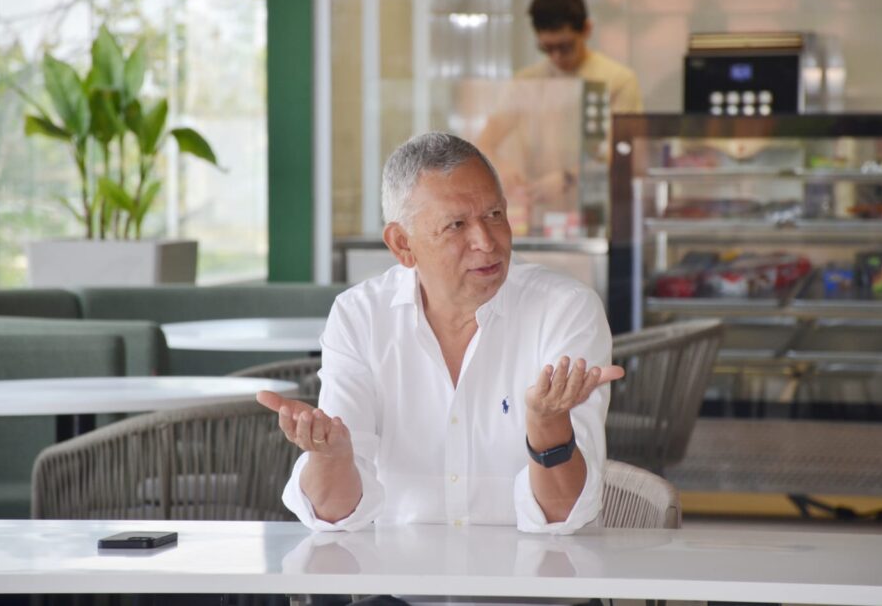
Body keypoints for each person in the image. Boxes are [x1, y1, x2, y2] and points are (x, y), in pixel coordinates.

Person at [257, 132, 623, 533]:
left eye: (495, 215)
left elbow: (564, 516)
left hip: (539, 589)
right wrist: (330, 457)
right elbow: (333, 515)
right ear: (402, 244)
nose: (485, 242)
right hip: (401, 590)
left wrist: (547, 427)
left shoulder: (565, 309)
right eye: (456, 225)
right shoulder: (360, 316)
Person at [475, 0, 642, 216]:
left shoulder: (617, 80)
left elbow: (623, 150)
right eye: (547, 48)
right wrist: (502, 167)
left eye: (565, 47)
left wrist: (568, 178)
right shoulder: (527, 82)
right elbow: (485, 142)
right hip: (538, 208)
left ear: (587, 29)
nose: (557, 57)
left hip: (598, 209)